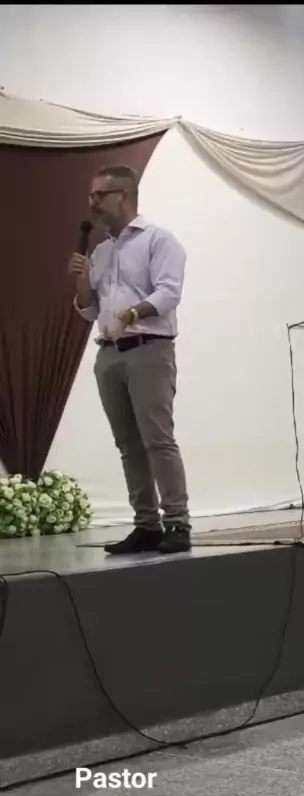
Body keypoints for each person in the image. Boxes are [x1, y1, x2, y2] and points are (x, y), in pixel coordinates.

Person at [68, 164, 191, 556]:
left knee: (158, 439)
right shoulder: (101, 251)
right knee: (128, 446)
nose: (91, 203)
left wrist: (133, 314)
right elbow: (90, 310)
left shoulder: (159, 240)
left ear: (122, 195)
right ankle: (146, 525)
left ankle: (177, 522)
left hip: (148, 349)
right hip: (109, 355)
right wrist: (82, 284)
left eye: (98, 195)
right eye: (90, 196)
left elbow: (169, 293)